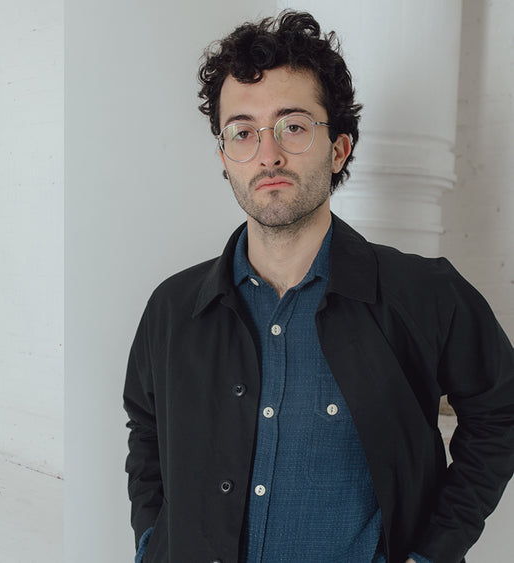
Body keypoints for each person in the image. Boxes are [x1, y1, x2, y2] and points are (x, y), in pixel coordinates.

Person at [123, 11, 514, 563]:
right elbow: (146, 428)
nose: (268, 154)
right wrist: (150, 542)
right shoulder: (172, 307)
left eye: (294, 125)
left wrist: (434, 553)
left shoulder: (424, 294)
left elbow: (502, 413)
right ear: (224, 159)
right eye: (243, 132)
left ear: (338, 149)